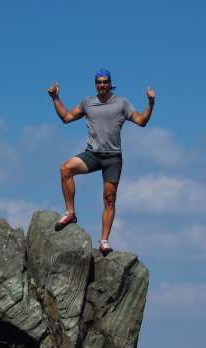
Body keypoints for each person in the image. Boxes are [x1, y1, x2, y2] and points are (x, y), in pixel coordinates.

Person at [47, 69, 155, 255]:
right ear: (96, 84)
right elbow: (67, 118)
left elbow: (141, 121)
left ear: (110, 83)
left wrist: (150, 103)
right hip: (93, 154)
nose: (102, 85)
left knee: (109, 199)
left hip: (112, 158)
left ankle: (104, 241)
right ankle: (70, 213)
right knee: (66, 169)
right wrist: (55, 98)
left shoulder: (122, 103)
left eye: (105, 82)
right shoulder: (88, 103)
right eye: (99, 82)